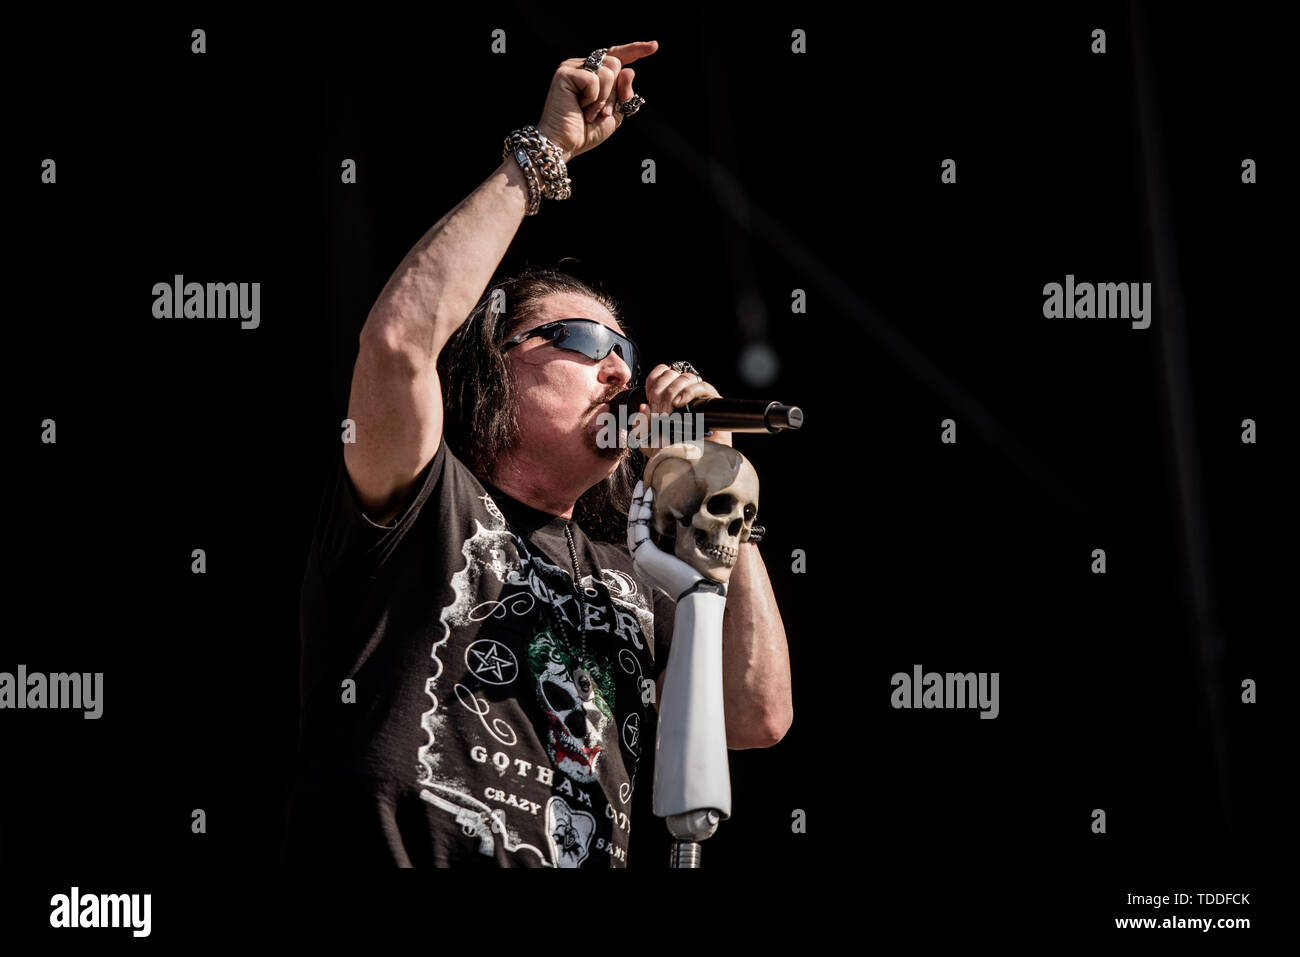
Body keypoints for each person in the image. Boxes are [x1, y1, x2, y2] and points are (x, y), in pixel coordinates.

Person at [284, 41, 792, 868]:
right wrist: (543, 156)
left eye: (626, 347)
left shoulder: (635, 571)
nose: (621, 369)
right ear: (494, 366)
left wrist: (724, 507)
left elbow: (756, 715)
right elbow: (399, 341)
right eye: (584, 341)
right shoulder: (425, 501)